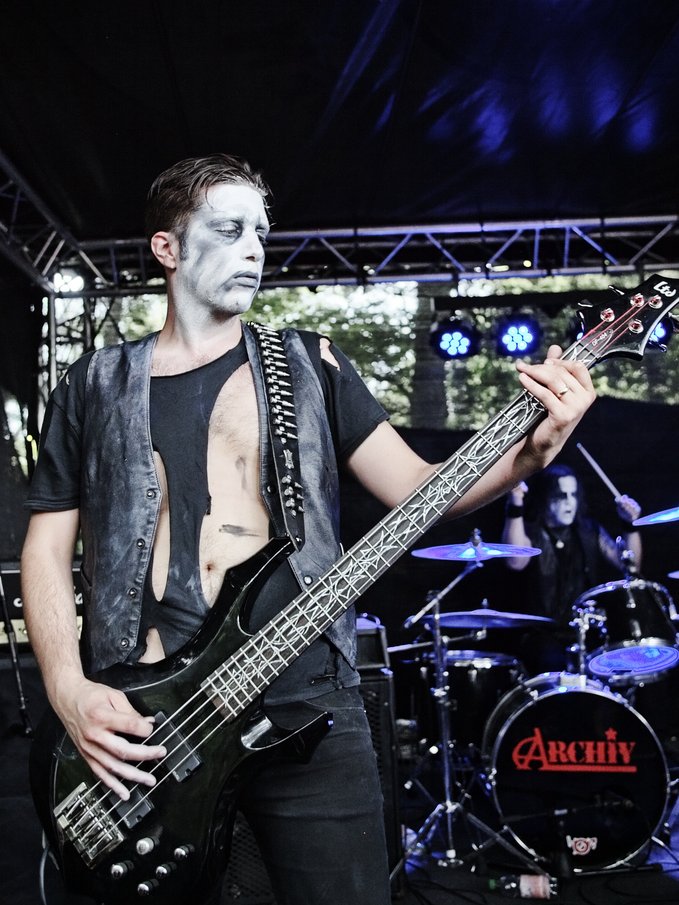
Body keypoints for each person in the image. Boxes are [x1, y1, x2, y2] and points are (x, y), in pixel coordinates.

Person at [20, 153, 595, 905]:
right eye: (228, 230)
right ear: (167, 247)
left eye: (261, 232)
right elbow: (46, 548)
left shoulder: (311, 364)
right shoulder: (92, 384)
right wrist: (66, 688)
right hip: (150, 713)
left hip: (307, 698)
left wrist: (534, 453)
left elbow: (420, 491)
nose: (253, 249)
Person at [501, 464, 642, 674]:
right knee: (551, 660)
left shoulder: (589, 531)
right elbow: (515, 561)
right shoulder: (531, 531)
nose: (569, 502)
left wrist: (629, 524)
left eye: (573, 495)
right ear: (545, 498)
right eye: (561, 495)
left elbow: (630, 566)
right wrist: (515, 503)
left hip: (584, 632)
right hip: (541, 635)